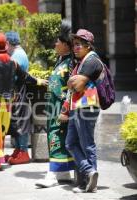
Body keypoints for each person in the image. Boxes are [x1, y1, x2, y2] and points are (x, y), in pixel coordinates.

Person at [0, 33, 42, 171]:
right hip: (7, 103)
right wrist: (39, 81)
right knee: (0, 132)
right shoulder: (12, 62)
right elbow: (25, 76)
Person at [59, 29, 103, 193]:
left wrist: (73, 81)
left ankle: (90, 183)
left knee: (87, 145)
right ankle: (89, 171)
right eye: (74, 45)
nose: (75, 48)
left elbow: (75, 85)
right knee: (70, 142)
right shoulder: (80, 62)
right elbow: (71, 85)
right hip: (76, 107)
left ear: (88, 46)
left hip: (86, 106)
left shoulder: (92, 60)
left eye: (79, 45)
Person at [35, 21, 75, 188]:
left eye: (57, 41)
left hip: (61, 108)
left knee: (55, 138)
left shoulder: (70, 63)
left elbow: (72, 88)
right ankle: (64, 173)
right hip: (53, 107)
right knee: (58, 137)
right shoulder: (61, 61)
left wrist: (65, 108)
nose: (55, 44)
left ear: (65, 45)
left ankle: (51, 175)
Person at [4, 31, 48, 165]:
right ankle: (18, 150)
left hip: (19, 92)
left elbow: (20, 74)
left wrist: (36, 81)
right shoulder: (17, 54)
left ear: (8, 43)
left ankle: (23, 152)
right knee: (16, 122)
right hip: (17, 92)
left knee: (20, 123)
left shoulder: (17, 55)